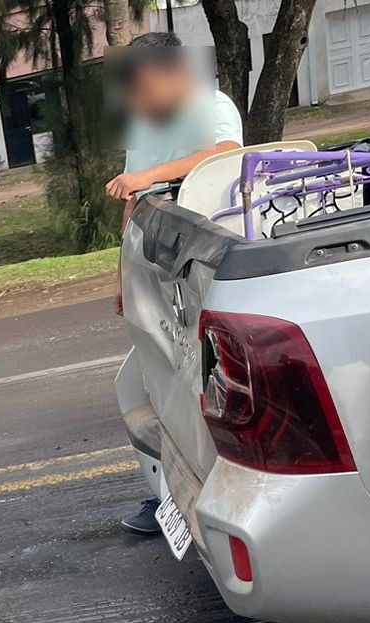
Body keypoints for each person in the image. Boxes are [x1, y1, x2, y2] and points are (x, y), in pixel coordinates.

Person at [106, 32, 242, 535]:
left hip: (201, 273)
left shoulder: (210, 105)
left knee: (201, 393)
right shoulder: (143, 123)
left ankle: (213, 504)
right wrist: (122, 276)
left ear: (178, 73)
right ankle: (168, 499)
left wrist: (151, 176)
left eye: (145, 88)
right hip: (155, 274)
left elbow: (226, 153)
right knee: (149, 388)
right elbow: (132, 203)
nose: (138, 102)